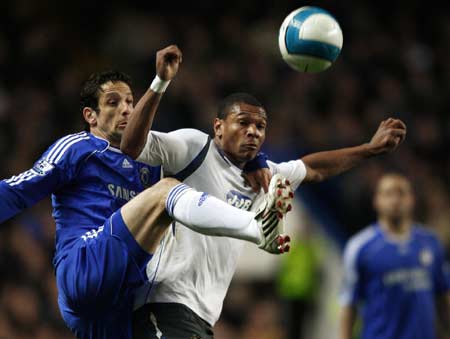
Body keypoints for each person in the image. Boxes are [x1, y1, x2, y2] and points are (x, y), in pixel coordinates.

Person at [0, 46, 294, 339]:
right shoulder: (77, 149)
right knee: (167, 191)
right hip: (86, 265)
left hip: (122, 303)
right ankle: (255, 227)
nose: (126, 108)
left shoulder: (150, 164)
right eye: (113, 102)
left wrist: (256, 158)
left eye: (129, 101)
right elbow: (17, 191)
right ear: (90, 116)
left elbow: (215, 155)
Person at [120, 46, 408, 338]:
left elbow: (314, 168)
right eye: (243, 123)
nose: (253, 132)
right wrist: (160, 82)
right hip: (163, 301)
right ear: (218, 127)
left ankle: (258, 229)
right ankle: (257, 229)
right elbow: (131, 146)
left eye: (260, 126)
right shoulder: (194, 148)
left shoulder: (266, 176)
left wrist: (369, 149)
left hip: (202, 314)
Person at [339, 173, 450, 339]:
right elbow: (348, 303)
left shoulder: (431, 243)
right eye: (388, 194)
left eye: (401, 193)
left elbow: (443, 295)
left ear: (412, 199)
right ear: (376, 201)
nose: (395, 200)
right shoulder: (360, 247)